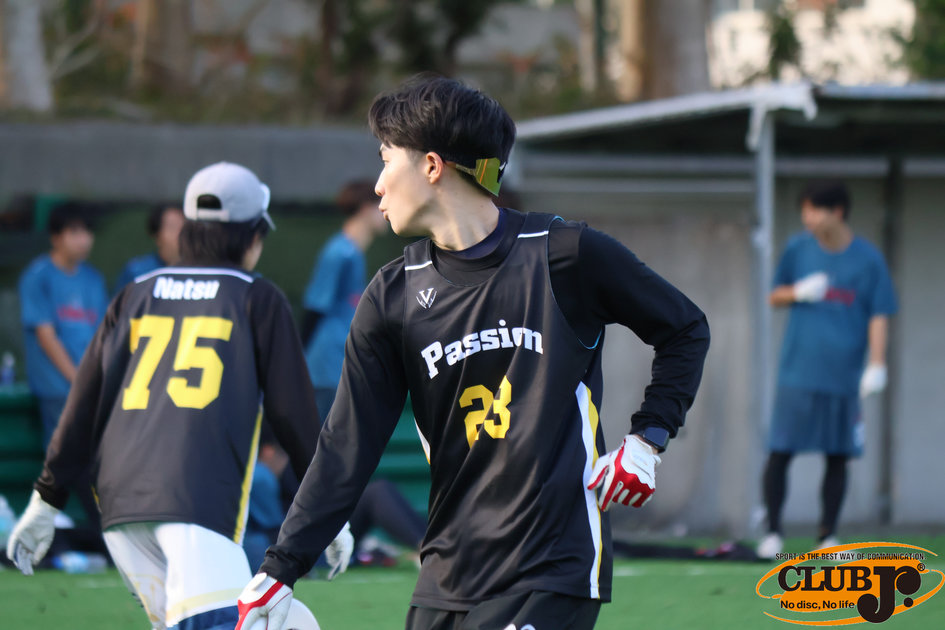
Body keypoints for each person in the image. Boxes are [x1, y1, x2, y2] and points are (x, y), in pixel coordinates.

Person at [236, 75, 710, 630]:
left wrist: (647, 439)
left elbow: (685, 328)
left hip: (551, 564)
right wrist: (280, 569)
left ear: (431, 166)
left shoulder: (564, 256)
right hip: (448, 572)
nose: (379, 186)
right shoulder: (392, 296)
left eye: (386, 161)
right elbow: (346, 444)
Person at [6, 162, 352, 630]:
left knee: (288, 622)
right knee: (245, 622)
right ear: (252, 234)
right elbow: (295, 416)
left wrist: (46, 498)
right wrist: (329, 510)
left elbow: (83, 405)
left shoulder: (135, 293)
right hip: (193, 505)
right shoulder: (256, 297)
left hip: (121, 509)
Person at [756, 180, 897, 560]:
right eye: (804, 211)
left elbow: (879, 313)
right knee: (780, 452)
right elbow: (774, 295)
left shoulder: (868, 260)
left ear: (837, 212)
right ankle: (772, 532)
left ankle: (827, 535)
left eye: (814, 211)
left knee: (838, 454)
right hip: (797, 373)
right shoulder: (797, 249)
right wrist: (798, 292)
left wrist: (877, 364)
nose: (808, 219)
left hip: (843, 376)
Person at [19, 202, 108, 448]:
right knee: (63, 458)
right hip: (57, 389)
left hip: (91, 387)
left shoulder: (93, 278)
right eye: (75, 232)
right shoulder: (37, 277)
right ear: (55, 237)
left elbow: (103, 334)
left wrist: (95, 381)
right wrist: (79, 380)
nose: (84, 240)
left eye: (87, 231)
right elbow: (46, 337)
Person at [301, 179, 388, 418]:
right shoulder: (339, 252)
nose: (385, 211)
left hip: (340, 365)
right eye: (380, 204)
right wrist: (299, 361)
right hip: (325, 367)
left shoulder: (354, 253)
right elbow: (315, 307)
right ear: (366, 208)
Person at [113, 203, 185, 293]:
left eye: (184, 227)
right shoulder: (137, 272)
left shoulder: (197, 270)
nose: (179, 233)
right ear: (157, 236)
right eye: (173, 227)